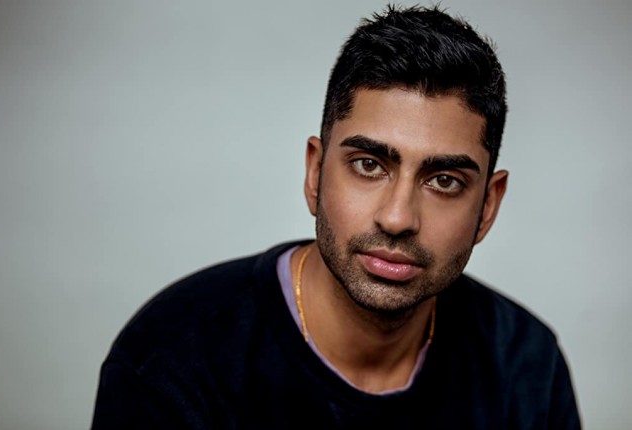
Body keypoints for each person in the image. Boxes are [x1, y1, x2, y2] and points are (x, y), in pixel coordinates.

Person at [92, 5, 581, 429]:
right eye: (369, 165)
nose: (397, 218)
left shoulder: (527, 368)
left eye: (444, 181)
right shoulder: (173, 359)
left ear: (488, 206)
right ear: (315, 173)